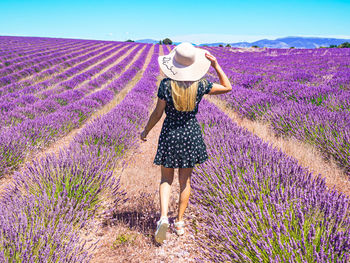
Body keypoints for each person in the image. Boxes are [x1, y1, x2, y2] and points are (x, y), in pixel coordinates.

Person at [140, 42, 232, 244]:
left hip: (170, 134)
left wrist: (146, 131)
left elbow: (157, 113)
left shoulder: (166, 85)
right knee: (185, 182)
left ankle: (163, 217)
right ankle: (179, 223)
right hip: (190, 135)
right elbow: (227, 87)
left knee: (166, 179)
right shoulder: (200, 85)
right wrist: (216, 66)